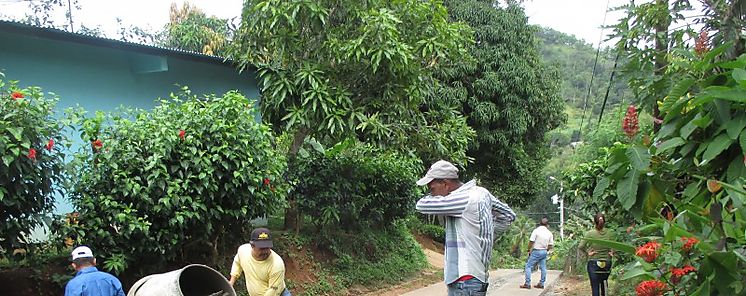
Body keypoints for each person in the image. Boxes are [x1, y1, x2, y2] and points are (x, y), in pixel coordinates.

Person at [415, 160, 516, 296]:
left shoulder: (462, 200)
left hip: (464, 281)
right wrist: (483, 237)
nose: (431, 193)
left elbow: (421, 205)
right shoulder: (481, 193)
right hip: (475, 279)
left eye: (432, 189)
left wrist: (483, 236)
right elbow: (508, 215)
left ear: (445, 184)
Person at [229, 228, 291, 296]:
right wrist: (231, 282)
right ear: (252, 246)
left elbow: (273, 292)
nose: (265, 251)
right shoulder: (243, 251)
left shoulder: (277, 264)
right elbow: (237, 262)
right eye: (261, 248)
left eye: (267, 247)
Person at [578, 213, 615, 296]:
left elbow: (580, 246)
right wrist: (612, 252)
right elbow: (614, 246)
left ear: (594, 222)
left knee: (595, 286)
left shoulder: (590, 233)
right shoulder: (610, 233)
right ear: (604, 222)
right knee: (604, 281)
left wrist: (588, 253)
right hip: (607, 262)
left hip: (594, 262)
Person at [519, 217, 554, 289]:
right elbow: (550, 245)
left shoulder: (536, 231)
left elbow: (531, 241)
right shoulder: (549, 233)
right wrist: (546, 250)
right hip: (544, 251)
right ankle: (541, 283)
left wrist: (528, 249)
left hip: (536, 251)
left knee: (528, 266)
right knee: (543, 267)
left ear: (539, 223)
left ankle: (527, 283)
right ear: (547, 225)